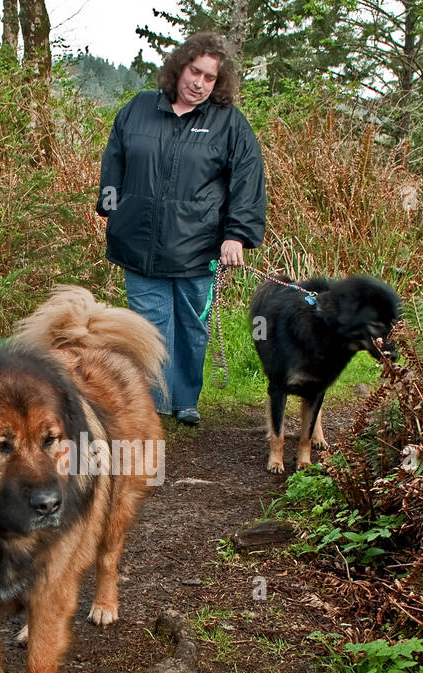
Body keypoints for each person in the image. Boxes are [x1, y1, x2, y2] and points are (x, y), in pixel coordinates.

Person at [98, 31, 267, 426]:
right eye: (195, 72)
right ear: (179, 68)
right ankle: (154, 403)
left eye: (210, 78)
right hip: (139, 243)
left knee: (191, 327)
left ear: (218, 83)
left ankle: (185, 399)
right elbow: (114, 158)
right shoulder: (138, 109)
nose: (200, 83)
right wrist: (111, 208)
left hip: (199, 247)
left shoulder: (229, 123)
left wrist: (236, 234)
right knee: (149, 329)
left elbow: (248, 179)